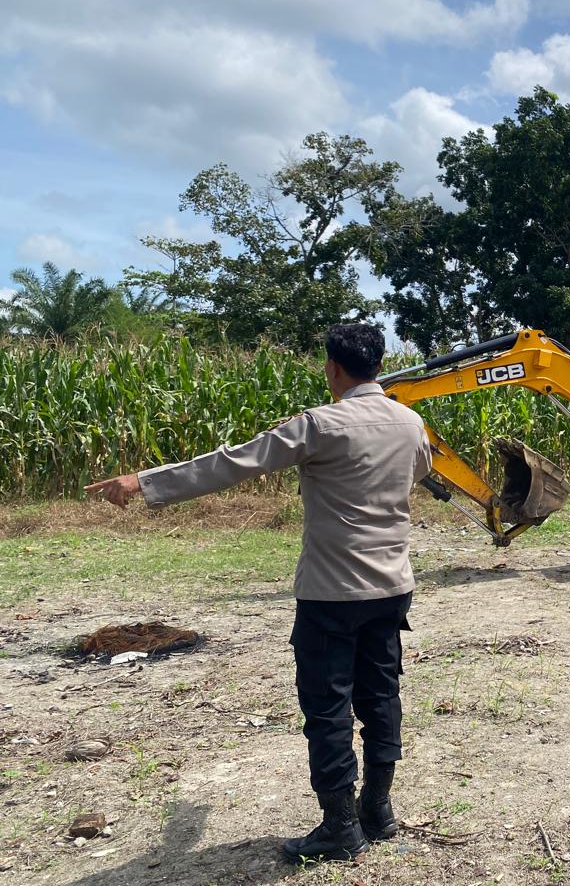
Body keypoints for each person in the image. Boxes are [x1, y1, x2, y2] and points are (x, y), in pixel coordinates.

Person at [86, 324, 431, 861]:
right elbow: (418, 471)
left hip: (332, 592)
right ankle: (378, 811)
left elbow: (233, 462)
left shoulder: (319, 424)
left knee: (328, 707)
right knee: (381, 695)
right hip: (391, 587)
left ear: (333, 368)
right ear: (377, 365)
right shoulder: (411, 423)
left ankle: (341, 827)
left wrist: (144, 482)